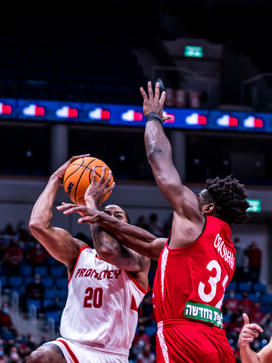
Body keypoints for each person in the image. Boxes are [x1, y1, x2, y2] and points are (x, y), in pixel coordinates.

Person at [65, 80, 251, 362]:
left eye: (199, 197)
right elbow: (150, 243)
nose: (193, 199)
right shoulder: (225, 247)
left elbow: (158, 159)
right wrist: (101, 216)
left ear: (209, 207)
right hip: (216, 340)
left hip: (183, 335)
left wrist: (153, 117)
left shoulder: (195, 218)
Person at [27, 156, 150, 363]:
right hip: (73, 346)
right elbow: (37, 226)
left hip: (111, 354)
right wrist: (55, 179)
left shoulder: (139, 258)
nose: (108, 217)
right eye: (106, 212)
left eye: (117, 216)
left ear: (126, 227)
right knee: (39, 357)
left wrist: (91, 202)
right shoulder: (79, 253)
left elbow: (108, 251)